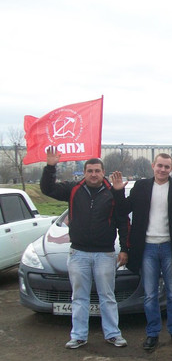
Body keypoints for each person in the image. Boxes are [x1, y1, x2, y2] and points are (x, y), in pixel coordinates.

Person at [40, 147, 129, 349]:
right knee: (79, 297)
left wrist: (124, 249)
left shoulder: (112, 192)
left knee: (107, 296)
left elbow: (123, 220)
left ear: (103, 172)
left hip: (105, 254)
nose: (94, 174)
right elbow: (47, 189)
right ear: (84, 172)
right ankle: (78, 335)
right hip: (78, 253)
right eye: (90, 171)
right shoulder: (73, 189)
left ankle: (113, 334)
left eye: (97, 170)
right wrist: (50, 167)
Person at [111, 153, 172, 351]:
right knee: (149, 295)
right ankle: (152, 334)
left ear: (171, 168)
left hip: (170, 247)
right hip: (147, 248)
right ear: (153, 166)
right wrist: (117, 192)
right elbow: (123, 210)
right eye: (160, 166)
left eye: (167, 167)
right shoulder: (141, 187)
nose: (163, 170)